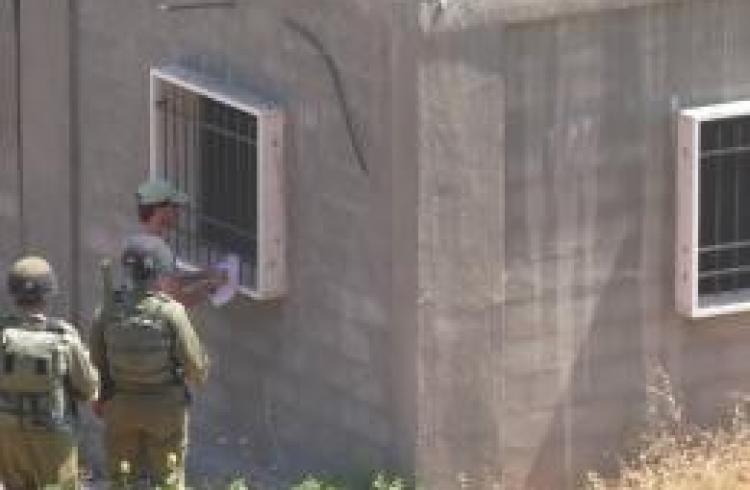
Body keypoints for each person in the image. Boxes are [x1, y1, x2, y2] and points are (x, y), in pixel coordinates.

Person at [90, 242, 210, 487]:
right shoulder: (171, 312)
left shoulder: (107, 310)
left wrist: (103, 397)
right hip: (165, 409)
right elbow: (196, 367)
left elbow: (96, 360)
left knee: (122, 480)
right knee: (168, 480)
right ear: (160, 274)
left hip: (120, 407)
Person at [0, 256, 99, 489]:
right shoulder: (64, 337)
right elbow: (88, 388)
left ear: (13, 293)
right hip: (53, 436)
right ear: (49, 293)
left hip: (8, 435)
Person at [125, 178, 225, 308]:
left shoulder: (134, 241)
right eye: (175, 206)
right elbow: (177, 301)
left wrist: (202, 275)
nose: (178, 212)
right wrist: (209, 288)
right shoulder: (160, 250)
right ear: (160, 210)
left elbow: (164, 280)